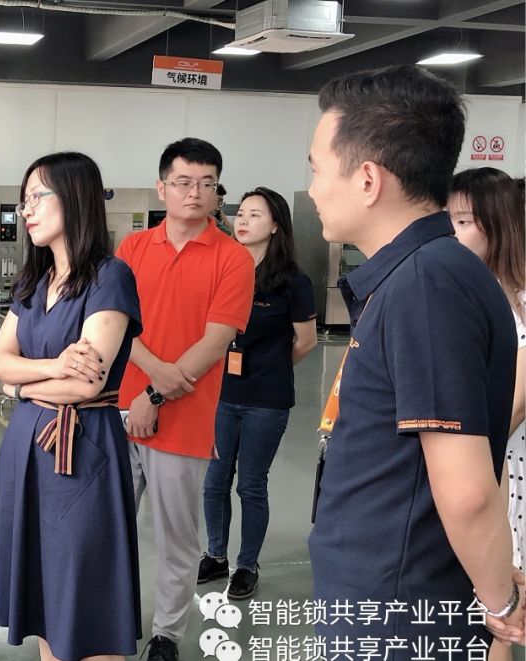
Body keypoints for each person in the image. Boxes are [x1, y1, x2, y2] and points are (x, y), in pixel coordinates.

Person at [306, 64, 523, 653]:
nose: (313, 189)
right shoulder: (420, 274)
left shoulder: (426, 285)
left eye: (317, 169)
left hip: (397, 608)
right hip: (390, 589)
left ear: (368, 179)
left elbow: (467, 488)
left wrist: (500, 605)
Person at [0, 152, 142, 661]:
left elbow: (85, 386)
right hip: (27, 451)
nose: (26, 210)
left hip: (82, 454)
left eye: (36, 197)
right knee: (45, 594)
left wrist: (21, 387)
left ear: (74, 198)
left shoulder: (109, 277)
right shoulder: (35, 281)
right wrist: (49, 369)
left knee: (86, 591)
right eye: (23, 200)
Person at [116, 138, 254, 661]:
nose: (195, 192)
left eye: (206, 183)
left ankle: (166, 635)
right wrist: (152, 381)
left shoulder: (233, 258)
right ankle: (111, 616)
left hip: (184, 419)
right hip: (117, 410)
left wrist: (155, 393)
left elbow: (216, 342)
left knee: (176, 537)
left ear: (217, 191)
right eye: (183, 182)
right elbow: (115, 324)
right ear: (162, 188)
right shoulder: (132, 249)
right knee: (110, 528)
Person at [198, 186, 317, 600]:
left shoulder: (293, 282)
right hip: (221, 394)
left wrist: (273, 368)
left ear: (276, 226)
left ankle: (247, 564)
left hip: (267, 399)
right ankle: (216, 554)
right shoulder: (222, 270)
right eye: (241, 213)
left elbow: (306, 341)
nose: (243, 221)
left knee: (250, 484)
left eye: (255, 215)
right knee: (214, 481)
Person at [448, 167, 526, 661]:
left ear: (498, 225)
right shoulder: (471, 293)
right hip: (483, 469)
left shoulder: (518, 302)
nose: (451, 233)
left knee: (503, 615)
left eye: (462, 222)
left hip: (506, 471)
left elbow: (508, 410)